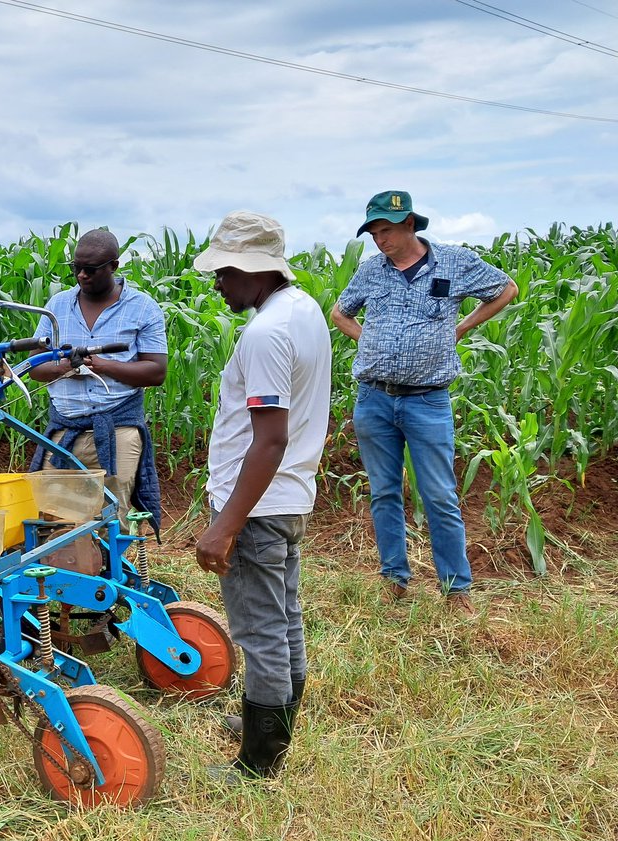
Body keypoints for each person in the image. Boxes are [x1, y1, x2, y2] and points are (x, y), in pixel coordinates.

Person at [331, 191, 517, 615]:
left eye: (387, 230)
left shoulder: (454, 261)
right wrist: (370, 342)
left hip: (427, 401)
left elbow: (506, 289)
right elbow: (340, 313)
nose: (380, 239)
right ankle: (394, 578)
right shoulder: (371, 271)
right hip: (374, 399)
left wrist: (463, 328)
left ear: (410, 224)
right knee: (384, 492)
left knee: (438, 495)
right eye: (374, 232)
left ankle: (455, 590)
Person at [193, 211, 331, 782]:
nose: (218, 283)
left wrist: (225, 523)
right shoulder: (304, 311)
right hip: (289, 497)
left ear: (255, 270)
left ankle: (260, 758)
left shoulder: (265, 333)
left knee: (260, 630)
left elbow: (269, 440)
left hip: (259, 505)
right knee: (285, 616)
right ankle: (273, 716)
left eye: (225, 271)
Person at [28, 229, 167, 532]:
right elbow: (35, 367)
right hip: (65, 431)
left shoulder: (143, 308)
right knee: (53, 522)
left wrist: (104, 365)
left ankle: (113, 578)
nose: (81, 275)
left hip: (117, 431)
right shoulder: (57, 306)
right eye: (75, 268)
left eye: (90, 270)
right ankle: (65, 579)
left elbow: (156, 371)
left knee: (111, 522)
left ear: (114, 266)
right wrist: (62, 366)